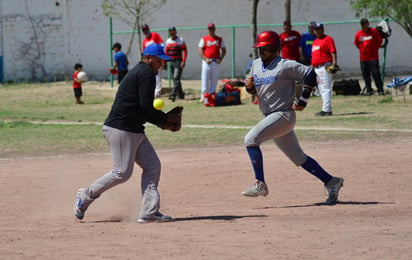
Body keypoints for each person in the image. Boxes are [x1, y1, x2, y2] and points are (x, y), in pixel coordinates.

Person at [74, 43, 180, 223]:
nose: (161, 64)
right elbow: (145, 107)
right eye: (159, 60)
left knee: (152, 165)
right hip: (121, 129)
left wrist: (161, 120)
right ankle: (86, 195)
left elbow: (142, 109)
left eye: (163, 60)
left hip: (133, 129)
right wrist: (162, 120)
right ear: (148, 58)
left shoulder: (142, 71)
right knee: (122, 172)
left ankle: (149, 212)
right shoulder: (146, 73)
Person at [241, 31, 344, 205]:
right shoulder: (256, 64)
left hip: (283, 114)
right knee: (298, 157)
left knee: (250, 139)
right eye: (259, 48)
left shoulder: (285, 65)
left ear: (275, 49)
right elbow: (255, 90)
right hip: (271, 117)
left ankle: (260, 184)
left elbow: (310, 74)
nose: (261, 51)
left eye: (264, 48)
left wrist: (303, 99)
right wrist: (250, 88)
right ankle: (331, 181)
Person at [311, 23, 338, 116]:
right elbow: (314, 56)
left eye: (319, 29)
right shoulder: (315, 42)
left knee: (325, 88)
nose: (317, 31)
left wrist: (334, 63)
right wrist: (312, 67)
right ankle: (326, 108)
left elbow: (333, 51)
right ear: (314, 31)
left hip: (325, 66)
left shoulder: (328, 39)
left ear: (323, 29)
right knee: (321, 89)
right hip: (317, 68)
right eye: (316, 29)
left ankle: (326, 110)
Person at [354, 18, 384, 95]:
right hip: (363, 58)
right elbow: (357, 44)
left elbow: (379, 41)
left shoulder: (374, 31)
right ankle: (369, 90)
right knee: (365, 75)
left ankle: (380, 89)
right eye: (362, 24)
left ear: (368, 24)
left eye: (365, 24)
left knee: (376, 74)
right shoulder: (358, 34)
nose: (364, 26)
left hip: (373, 57)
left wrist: (374, 49)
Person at [198, 23, 226, 103]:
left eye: (212, 28)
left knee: (214, 79)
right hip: (207, 61)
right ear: (208, 30)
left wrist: (220, 59)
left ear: (214, 29)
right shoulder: (204, 39)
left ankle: (212, 94)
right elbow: (200, 50)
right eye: (209, 29)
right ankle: (203, 96)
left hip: (215, 61)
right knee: (205, 79)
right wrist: (205, 59)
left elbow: (224, 50)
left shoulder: (219, 39)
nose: (211, 30)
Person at [165, 26, 188, 101]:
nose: (172, 33)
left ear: (175, 32)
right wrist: (164, 62)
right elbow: (166, 52)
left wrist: (183, 61)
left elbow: (185, 51)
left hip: (178, 61)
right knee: (175, 79)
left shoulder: (180, 40)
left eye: (173, 32)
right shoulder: (168, 41)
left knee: (176, 77)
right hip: (171, 61)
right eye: (171, 32)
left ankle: (173, 94)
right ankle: (181, 94)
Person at [142, 24, 164, 97]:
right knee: (150, 75)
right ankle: (151, 90)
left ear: (148, 29)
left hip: (157, 59)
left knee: (158, 75)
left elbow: (162, 45)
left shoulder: (155, 35)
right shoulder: (145, 40)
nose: (145, 31)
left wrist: (162, 59)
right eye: (143, 30)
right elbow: (144, 52)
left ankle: (157, 91)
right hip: (149, 61)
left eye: (146, 29)